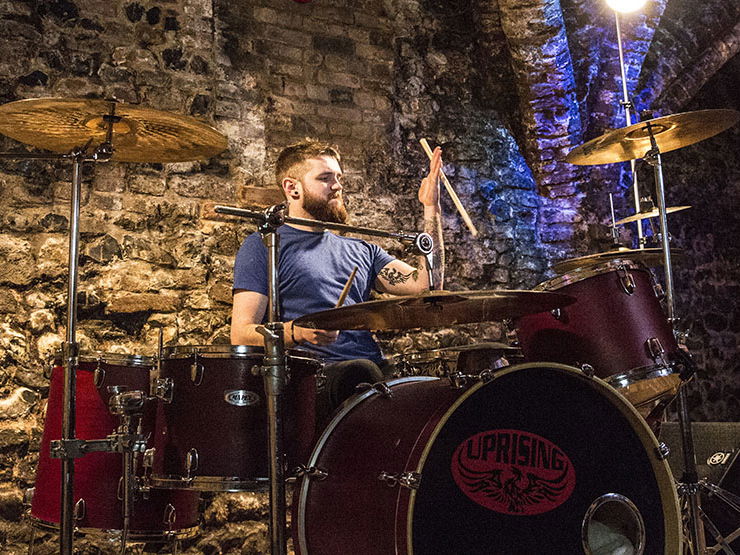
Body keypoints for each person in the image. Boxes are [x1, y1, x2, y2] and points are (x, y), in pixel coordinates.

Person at [231, 139, 444, 410]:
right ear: (292, 188)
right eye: (325, 178)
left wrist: (431, 208)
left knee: (431, 388)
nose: (337, 186)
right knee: (359, 372)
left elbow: (426, 285)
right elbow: (241, 333)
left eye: (339, 177)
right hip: (315, 378)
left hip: (372, 371)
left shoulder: (362, 250)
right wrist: (298, 332)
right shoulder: (265, 245)